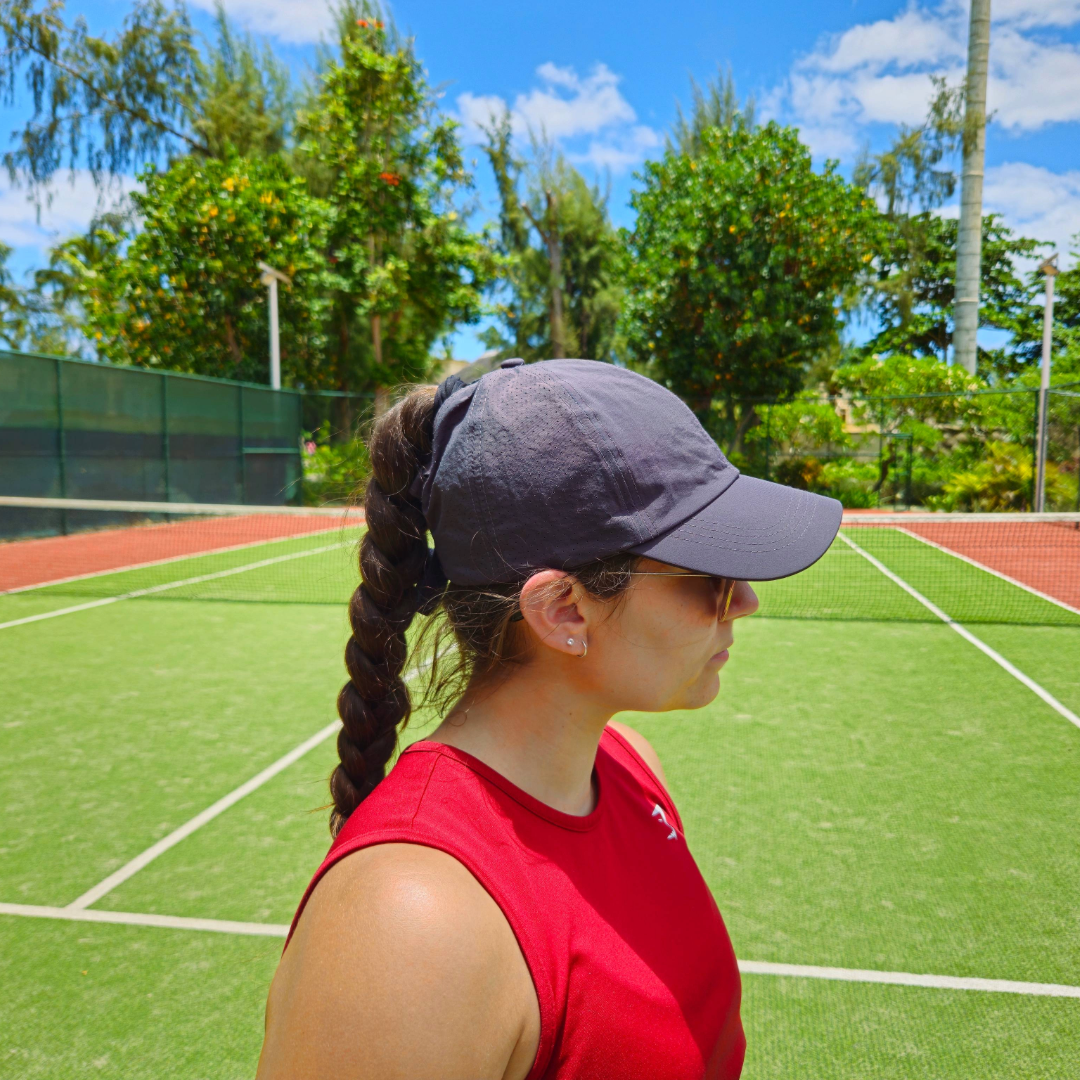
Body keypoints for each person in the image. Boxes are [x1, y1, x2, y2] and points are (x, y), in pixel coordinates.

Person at [256, 359, 841, 1080]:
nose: (746, 600)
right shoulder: (410, 925)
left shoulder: (630, 766)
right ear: (563, 611)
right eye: (707, 574)